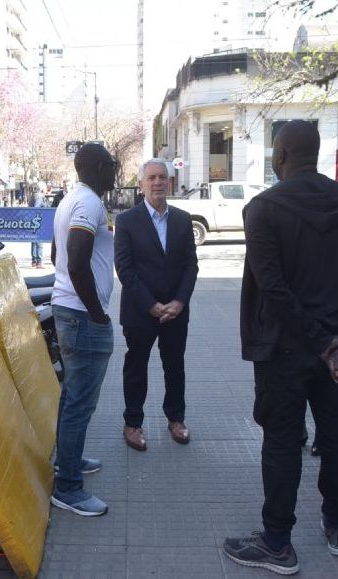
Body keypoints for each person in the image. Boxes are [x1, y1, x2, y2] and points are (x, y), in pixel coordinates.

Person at [224, 120, 338, 575]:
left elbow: (272, 288)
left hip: (285, 350)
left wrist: (326, 343)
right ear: (316, 154)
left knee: (281, 442)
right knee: (335, 435)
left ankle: (277, 543)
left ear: (279, 155)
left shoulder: (262, 209)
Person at [49, 142, 116, 517]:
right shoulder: (89, 203)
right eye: (112, 165)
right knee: (79, 404)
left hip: (68, 310)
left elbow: (56, 254)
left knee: (71, 397)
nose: (115, 172)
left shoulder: (71, 199)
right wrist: (97, 314)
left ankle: (67, 462)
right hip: (82, 316)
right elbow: (75, 261)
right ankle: (68, 488)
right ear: (99, 167)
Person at [114, 159, 198, 451]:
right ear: (141, 184)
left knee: (175, 366)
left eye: (162, 177)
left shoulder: (183, 220)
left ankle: (176, 419)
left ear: (169, 182)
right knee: (136, 368)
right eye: (151, 178)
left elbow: (191, 266)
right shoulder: (126, 221)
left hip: (176, 311)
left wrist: (179, 301)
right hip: (140, 311)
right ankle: (132, 422)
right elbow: (124, 269)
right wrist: (151, 305)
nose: (158, 182)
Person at [30, 186, 47, 268]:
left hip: (33, 220)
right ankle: (39, 262)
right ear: (42, 189)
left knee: (34, 241)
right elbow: (36, 208)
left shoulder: (33, 195)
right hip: (38, 220)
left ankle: (34, 261)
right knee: (39, 241)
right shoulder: (39, 196)